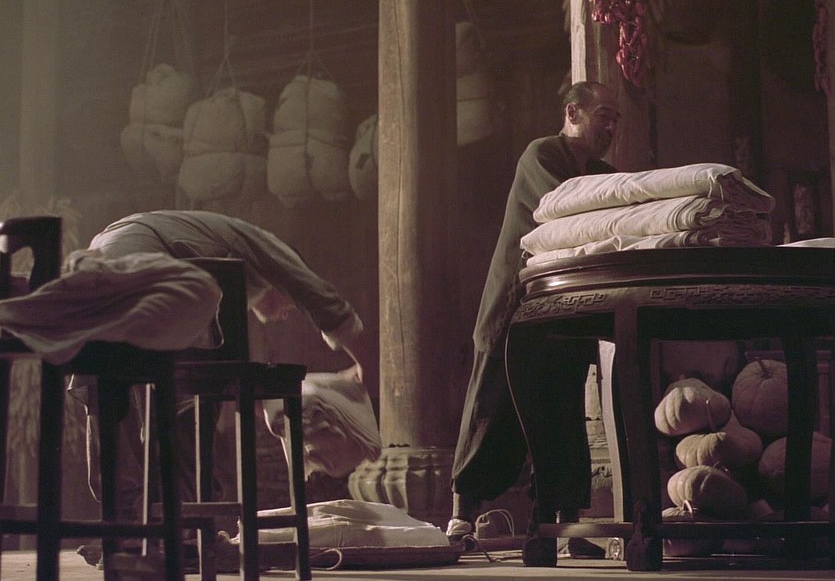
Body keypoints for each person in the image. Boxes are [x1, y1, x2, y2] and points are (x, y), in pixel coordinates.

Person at [73, 209, 374, 536]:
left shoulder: (224, 284)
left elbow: (228, 365)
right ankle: (187, 528)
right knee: (191, 396)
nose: (289, 311)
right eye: (289, 301)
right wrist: (368, 364)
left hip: (94, 276)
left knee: (114, 388)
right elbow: (317, 295)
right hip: (141, 268)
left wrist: (264, 403)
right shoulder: (267, 246)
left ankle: (126, 531)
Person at [447, 81, 619, 561]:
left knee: (563, 412)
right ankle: (462, 515)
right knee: (491, 408)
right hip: (515, 302)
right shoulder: (541, 154)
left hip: (565, 308)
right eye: (602, 116)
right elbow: (567, 210)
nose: (610, 127)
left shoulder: (602, 172)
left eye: (615, 120)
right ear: (573, 113)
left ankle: (564, 524)